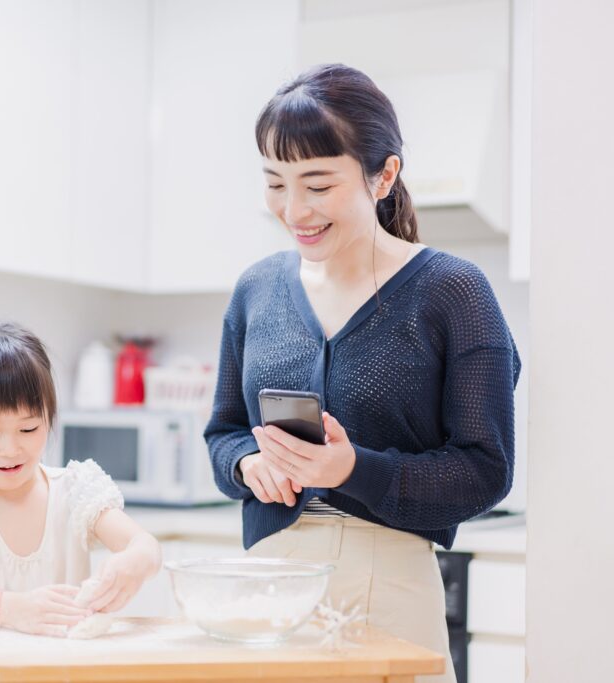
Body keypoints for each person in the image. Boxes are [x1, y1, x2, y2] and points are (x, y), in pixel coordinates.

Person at [205, 64, 521, 683]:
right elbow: (222, 433)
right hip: (270, 583)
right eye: (275, 184)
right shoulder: (256, 291)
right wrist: (248, 464)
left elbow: (487, 469)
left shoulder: (454, 293)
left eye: (317, 186)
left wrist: (353, 470)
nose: (293, 210)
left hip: (391, 587)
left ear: (385, 175)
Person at [0, 322, 162, 637]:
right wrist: (13, 609)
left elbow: (146, 547)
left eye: (29, 428)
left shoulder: (75, 489)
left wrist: (133, 563)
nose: (11, 449)